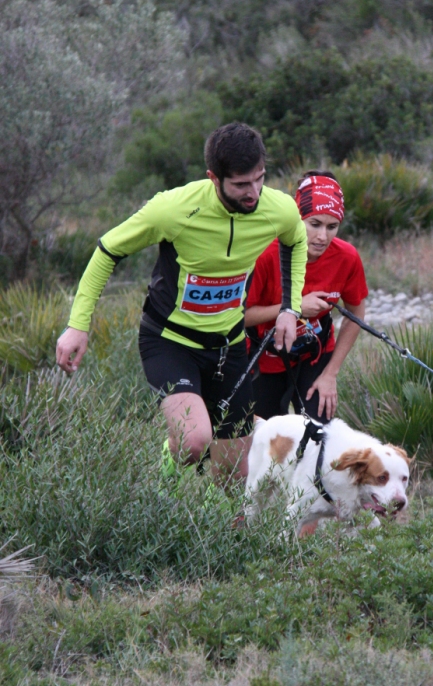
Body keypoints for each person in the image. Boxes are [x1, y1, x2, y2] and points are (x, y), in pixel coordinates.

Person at [55, 123, 307, 482]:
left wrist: (289, 308)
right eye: (240, 185)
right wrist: (78, 325)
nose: (253, 193)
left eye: (260, 179)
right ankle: (167, 472)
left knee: (233, 475)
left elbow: (296, 240)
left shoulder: (277, 208)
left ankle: (219, 534)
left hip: (229, 346)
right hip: (170, 342)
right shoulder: (172, 209)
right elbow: (107, 250)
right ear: (213, 178)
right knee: (193, 443)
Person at [245, 170, 368, 423]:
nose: (323, 237)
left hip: (315, 356)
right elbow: (241, 317)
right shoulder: (267, 254)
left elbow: (356, 314)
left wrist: (331, 374)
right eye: (314, 224)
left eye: (332, 226)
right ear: (297, 217)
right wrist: (294, 308)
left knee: (317, 436)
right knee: (264, 442)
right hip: (266, 359)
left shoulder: (346, 257)